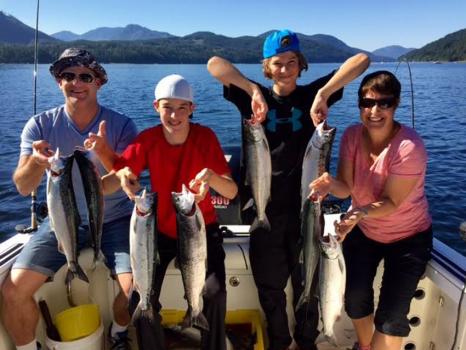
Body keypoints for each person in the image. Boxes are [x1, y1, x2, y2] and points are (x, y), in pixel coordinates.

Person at [207, 29, 370, 350]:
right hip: (262, 210)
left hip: (307, 209)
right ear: (267, 66)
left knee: (307, 280)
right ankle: (281, 342)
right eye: (277, 63)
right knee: (270, 287)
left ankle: (307, 340)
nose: (285, 69)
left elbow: (362, 60)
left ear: (300, 63)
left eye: (291, 62)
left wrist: (325, 92)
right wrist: (252, 89)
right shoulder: (252, 99)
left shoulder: (312, 95)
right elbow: (214, 64)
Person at [2, 48, 138, 350]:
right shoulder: (39, 125)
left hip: (114, 220)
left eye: (85, 76)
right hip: (60, 222)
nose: (76, 82)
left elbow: (127, 176)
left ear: (99, 82)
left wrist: (103, 156)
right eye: (67, 75)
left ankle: (117, 334)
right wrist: (37, 163)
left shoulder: (122, 125)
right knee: (12, 292)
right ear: (58, 82)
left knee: (134, 291)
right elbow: (23, 187)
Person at [102, 74, 238, 350]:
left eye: (181, 107)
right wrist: (121, 173)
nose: (174, 115)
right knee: (140, 300)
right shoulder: (147, 140)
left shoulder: (205, 137)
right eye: (167, 107)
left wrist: (211, 178)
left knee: (214, 294)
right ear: (156, 107)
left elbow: (232, 192)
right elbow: (106, 187)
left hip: (202, 231)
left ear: (192, 109)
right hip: (159, 234)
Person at [310, 70, 432, 350]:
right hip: (364, 231)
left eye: (384, 103)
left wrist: (359, 213)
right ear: (359, 105)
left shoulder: (409, 147)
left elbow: (391, 202)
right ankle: (364, 345)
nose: (374, 111)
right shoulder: (352, 135)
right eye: (367, 103)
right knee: (354, 299)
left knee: (391, 318)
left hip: (408, 238)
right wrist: (329, 184)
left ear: (396, 104)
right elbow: (346, 188)